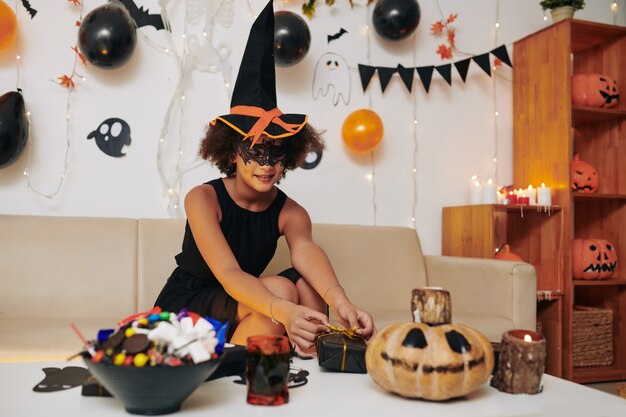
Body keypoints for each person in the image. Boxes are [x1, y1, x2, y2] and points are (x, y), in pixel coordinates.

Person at [154, 0, 374, 353]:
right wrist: (285, 310)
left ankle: (294, 353)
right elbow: (228, 274)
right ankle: (265, 353)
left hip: (249, 296)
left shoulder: (291, 213)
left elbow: (306, 251)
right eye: (255, 152)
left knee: (304, 285)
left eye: (276, 154)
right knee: (284, 293)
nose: (267, 164)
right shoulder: (203, 198)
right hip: (194, 301)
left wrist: (343, 304)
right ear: (230, 153)